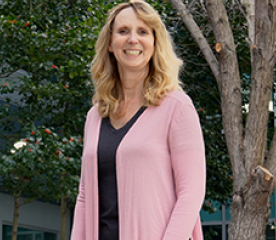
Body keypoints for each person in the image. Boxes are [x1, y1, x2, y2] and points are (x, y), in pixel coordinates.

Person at [71, 1, 205, 239]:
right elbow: (84, 195)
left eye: (143, 32)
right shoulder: (95, 116)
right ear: (111, 44)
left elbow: (191, 193)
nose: (133, 39)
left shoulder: (176, 107)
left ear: (155, 43)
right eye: (123, 31)